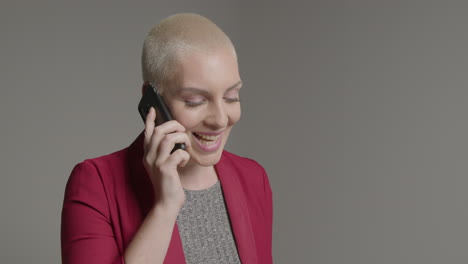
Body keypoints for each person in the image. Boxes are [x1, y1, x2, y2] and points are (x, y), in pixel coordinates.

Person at [61, 13, 273, 264]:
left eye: (231, 97)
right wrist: (166, 206)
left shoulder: (252, 178)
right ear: (153, 101)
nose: (219, 119)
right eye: (196, 101)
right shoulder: (96, 184)